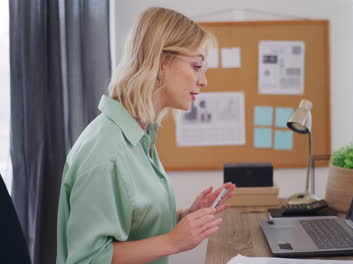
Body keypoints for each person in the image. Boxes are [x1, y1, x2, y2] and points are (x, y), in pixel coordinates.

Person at [56, 7, 236, 264]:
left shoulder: (139, 136)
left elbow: (131, 224)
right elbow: (88, 259)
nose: (203, 80)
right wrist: (174, 240)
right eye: (197, 66)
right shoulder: (107, 154)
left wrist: (184, 218)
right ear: (161, 62)